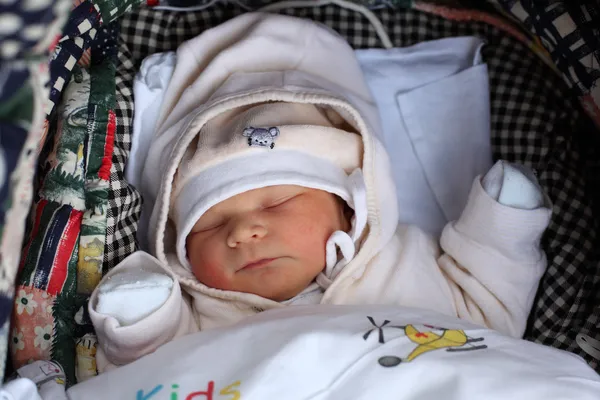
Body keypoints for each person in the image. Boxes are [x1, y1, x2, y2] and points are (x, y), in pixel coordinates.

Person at [88, 12, 551, 372]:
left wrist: (501, 229)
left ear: (348, 208)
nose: (244, 231)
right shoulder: (202, 316)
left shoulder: (402, 266)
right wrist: (141, 325)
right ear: (179, 252)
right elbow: (150, 376)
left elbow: (489, 310)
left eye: (278, 202)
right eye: (208, 223)